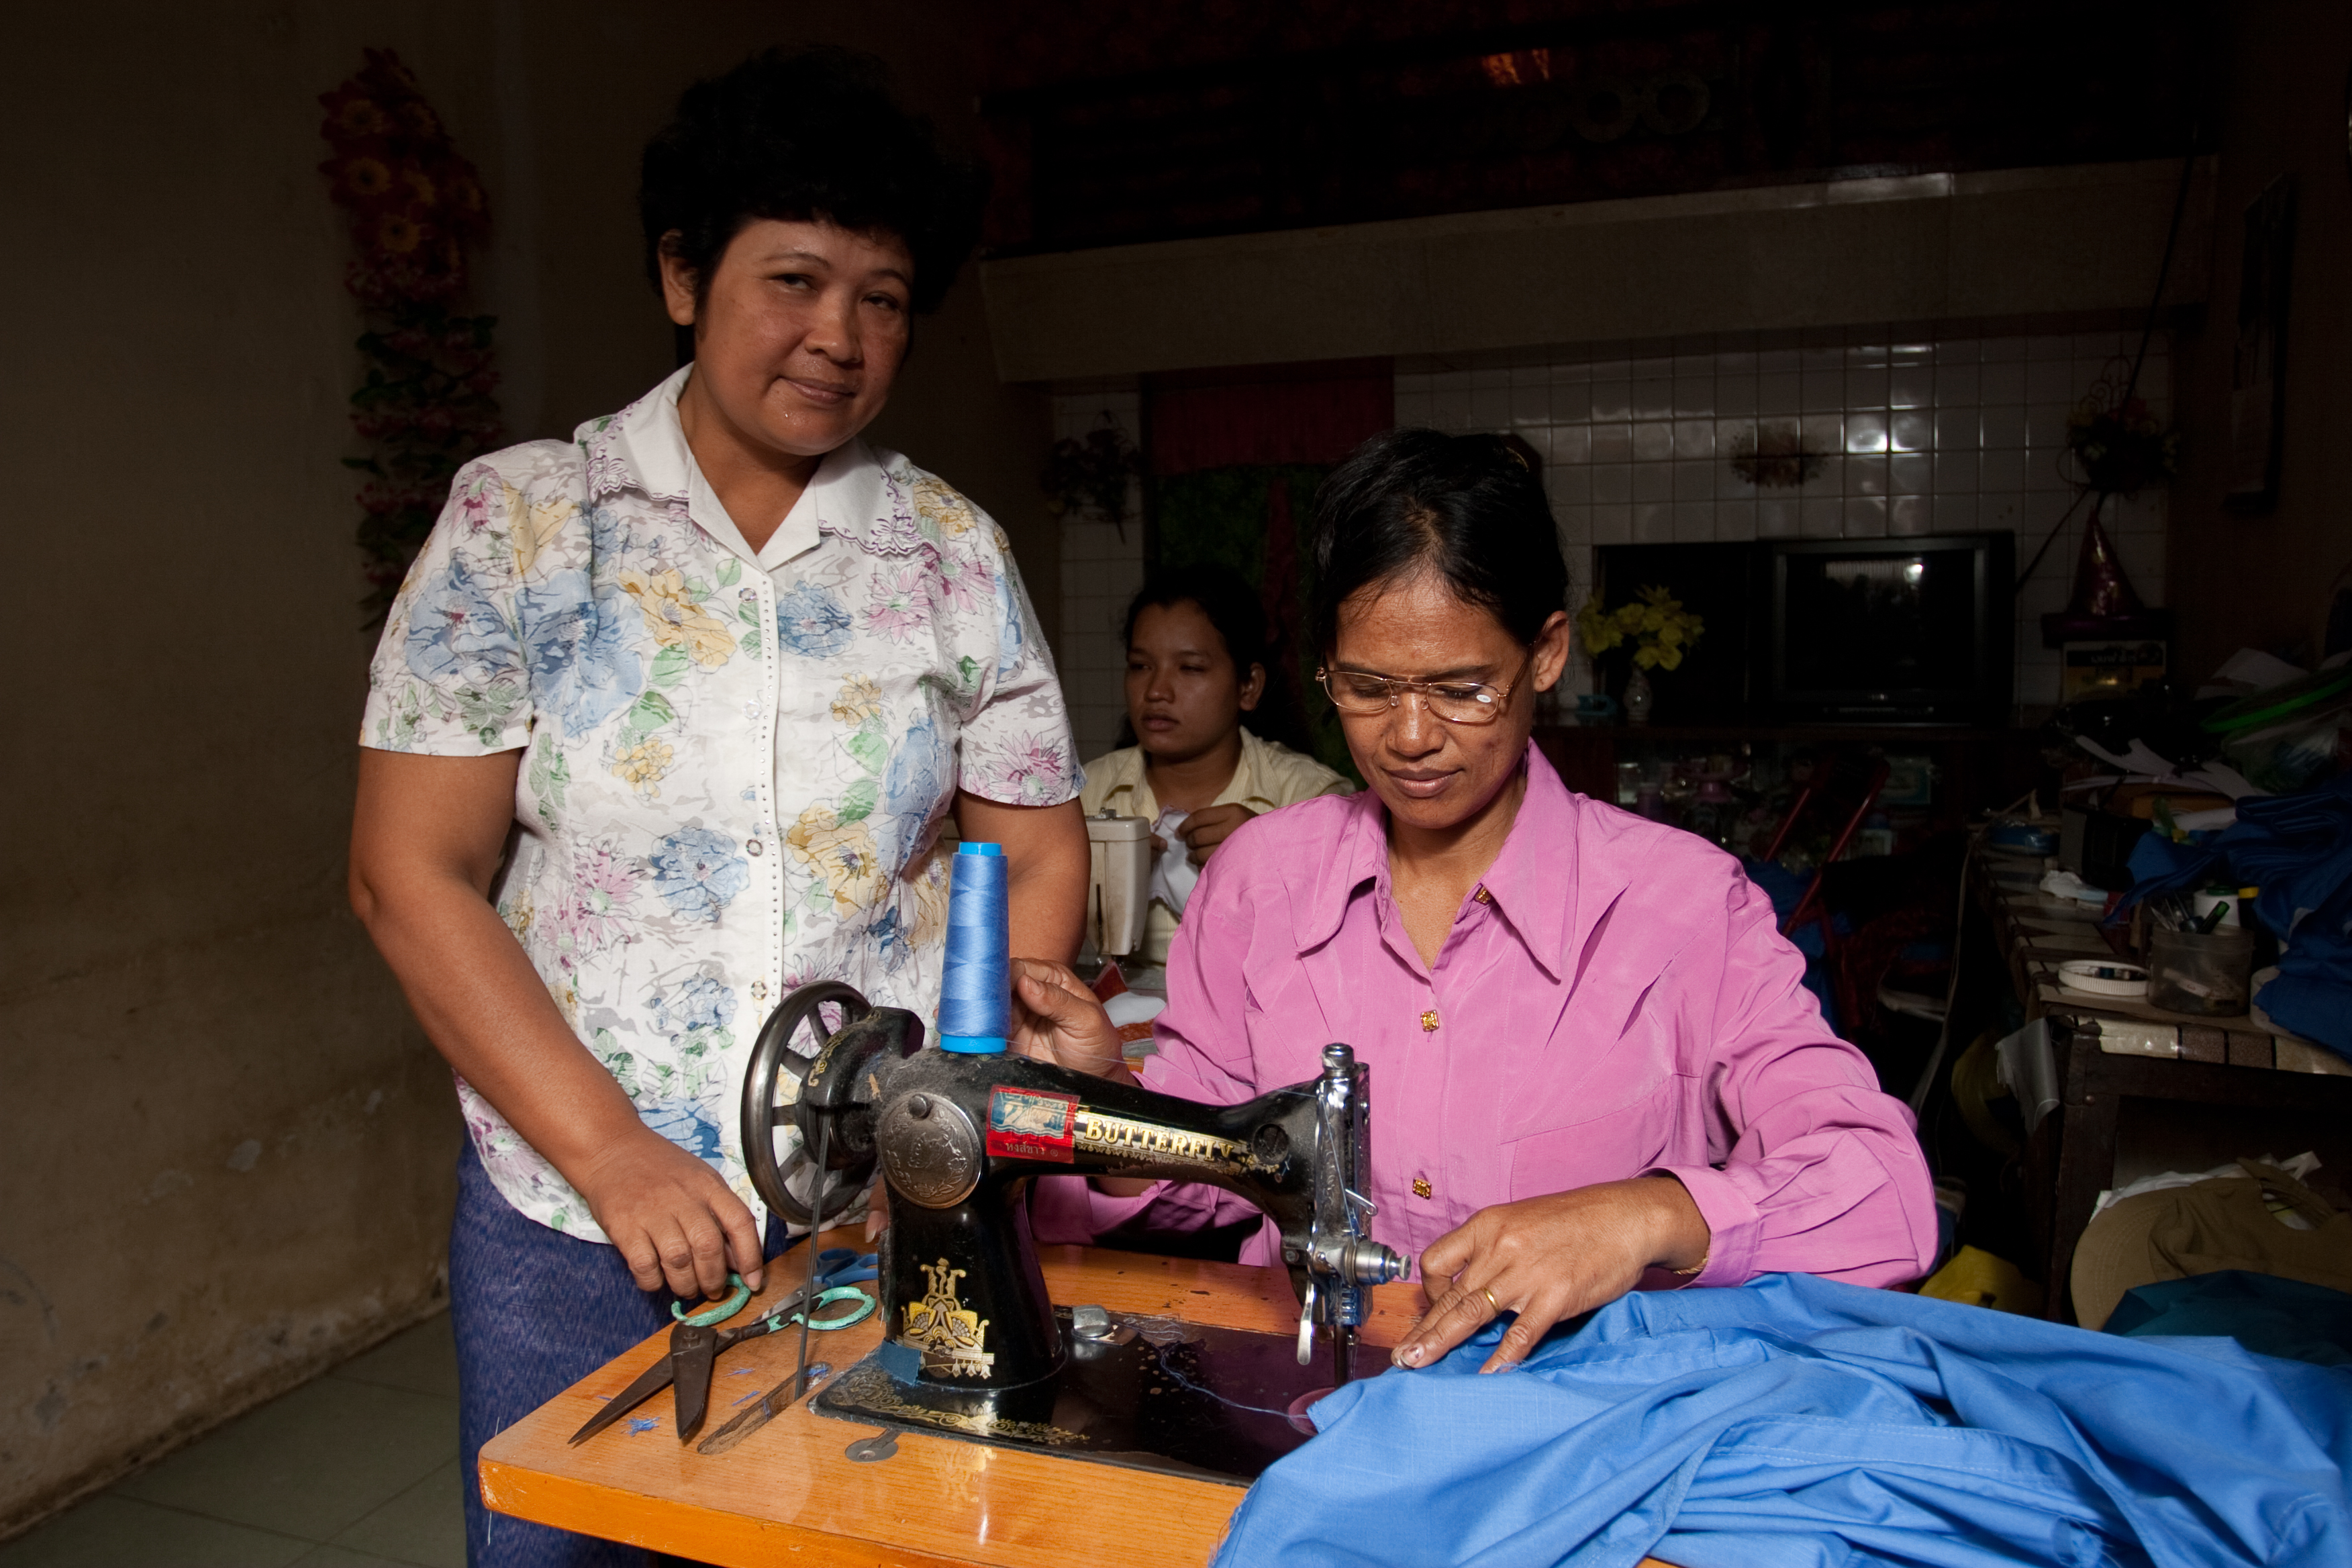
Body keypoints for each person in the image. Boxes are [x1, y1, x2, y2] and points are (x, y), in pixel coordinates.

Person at [346, 48, 1086, 1567]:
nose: (838, 337)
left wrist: (958, 1107)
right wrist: (614, 1151)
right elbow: (410, 872)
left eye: (881, 297)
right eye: (796, 280)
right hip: (569, 1221)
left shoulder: (948, 553)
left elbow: (1033, 850)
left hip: (871, 1207)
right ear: (683, 274)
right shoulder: (526, 520)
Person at [1019, 429, 1937, 1375]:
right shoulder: (1262, 882)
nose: (1411, 738)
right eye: (1368, 688)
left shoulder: (1682, 908)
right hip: (1311, 1406)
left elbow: (1886, 1196)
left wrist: (1651, 1214)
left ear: (1545, 653)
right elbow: (1205, 1167)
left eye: (1462, 689)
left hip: (1578, 1433)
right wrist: (1106, 1109)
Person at [1080, 564, 1351, 966]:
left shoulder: (1313, 800)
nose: (1156, 691)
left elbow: (1352, 948)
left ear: (1248, 686)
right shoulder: (1084, 794)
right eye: (1140, 666)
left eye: (1190, 668)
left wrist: (1269, 857)